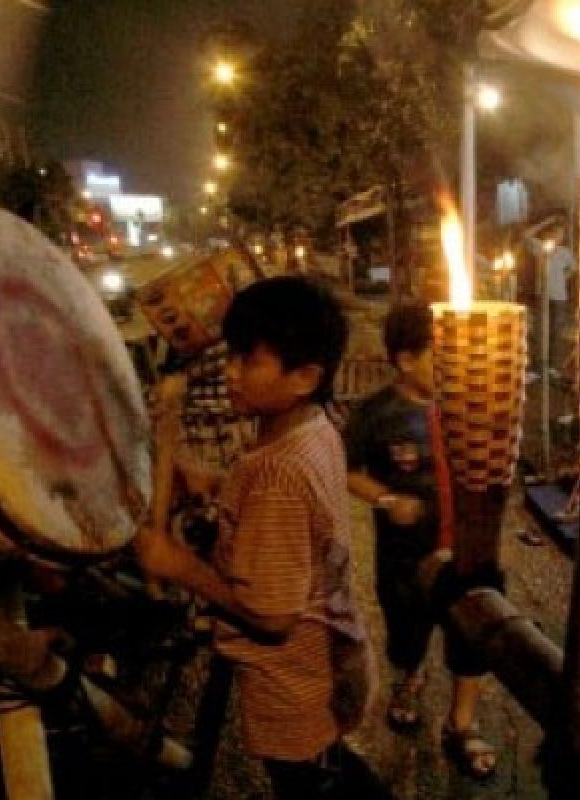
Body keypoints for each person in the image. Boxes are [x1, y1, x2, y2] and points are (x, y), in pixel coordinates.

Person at [134, 276, 384, 800]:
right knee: (327, 768)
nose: (229, 372)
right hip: (332, 659)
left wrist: (177, 564)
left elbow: (272, 617)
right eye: (232, 355)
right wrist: (218, 486)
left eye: (248, 361)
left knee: (309, 782)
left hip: (294, 686)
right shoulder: (315, 427)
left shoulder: (275, 475)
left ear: (305, 377)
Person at [344, 302, 497, 779]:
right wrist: (389, 499)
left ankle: (461, 723)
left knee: (474, 631)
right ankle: (409, 679)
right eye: (439, 356)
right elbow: (348, 473)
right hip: (404, 555)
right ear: (406, 360)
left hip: (469, 549)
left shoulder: (470, 405)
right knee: (407, 627)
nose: (451, 368)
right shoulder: (375, 413)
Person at [525, 213, 576, 374]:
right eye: (555, 233)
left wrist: (563, 279)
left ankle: (553, 367)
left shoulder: (565, 252)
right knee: (540, 331)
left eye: (561, 234)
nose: (558, 237)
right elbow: (525, 236)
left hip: (559, 297)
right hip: (543, 295)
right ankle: (537, 366)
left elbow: (574, 269)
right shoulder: (540, 247)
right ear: (548, 234)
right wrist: (547, 220)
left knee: (555, 332)